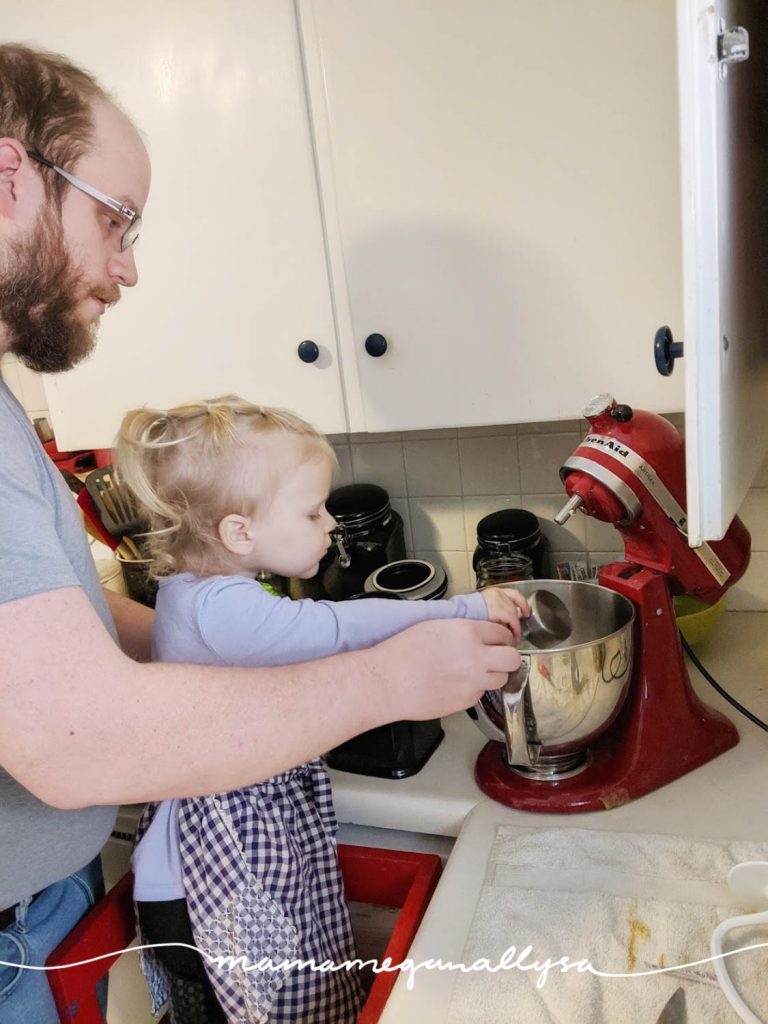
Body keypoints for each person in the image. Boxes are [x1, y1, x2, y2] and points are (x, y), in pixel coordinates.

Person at [0, 43, 523, 1022]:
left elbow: (47, 618)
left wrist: (183, 638)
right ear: (10, 177)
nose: (130, 266)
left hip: (38, 913)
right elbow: (80, 743)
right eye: (115, 219)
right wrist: (397, 675)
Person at [115, 395, 529, 1024]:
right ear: (239, 532)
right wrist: (461, 608)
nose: (331, 525)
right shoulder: (224, 609)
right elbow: (337, 627)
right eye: (312, 511)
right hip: (211, 889)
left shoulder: (201, 591)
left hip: (209, 872)